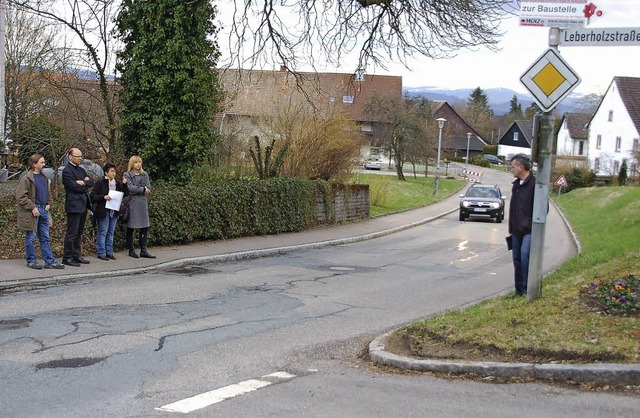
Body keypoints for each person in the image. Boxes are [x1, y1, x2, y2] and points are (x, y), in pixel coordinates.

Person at [15, 154, 65, 270]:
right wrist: (32, 207)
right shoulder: (27, 178)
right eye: (41, 162)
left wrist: (49, 204)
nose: (44, 164)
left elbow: (48, 194)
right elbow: (21, 196)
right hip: (32, 211)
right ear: (34, 164)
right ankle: (31, 260)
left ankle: (49, 261)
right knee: (31, 237)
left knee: (45, 237)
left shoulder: (44, 177)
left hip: (44, 209)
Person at [508, 153, 535, 298]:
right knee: (516, 260)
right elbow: (513, 209)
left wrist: (529, 223)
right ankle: (519, 291)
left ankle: (527, 288)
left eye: (513, 167)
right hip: (516, 231)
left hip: (528, 231)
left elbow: (544, 208)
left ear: (521, 167)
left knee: (525, 257)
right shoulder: (516, 186)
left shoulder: (535, 185)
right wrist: (511, 229)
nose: (511, 169)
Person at [62, 148, 94, 267]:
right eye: (77, 156)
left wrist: (83, 182)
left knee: (79, 232)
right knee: (72, 232)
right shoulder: (67, 171)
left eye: (81, 156)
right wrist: (82, 183)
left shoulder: (81, 170)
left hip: (83, 204)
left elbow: (91, 182)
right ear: (70, 157)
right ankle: (67, 257)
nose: (80, 158)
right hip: (74, 205)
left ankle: (76, 255)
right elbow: (73, 187)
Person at [91, 163, 128, 261]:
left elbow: (124, 194)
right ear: (106, 172)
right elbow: (93, 196)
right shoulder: (100, 183)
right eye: (111, 171)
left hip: (114, 210)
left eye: (115, 171)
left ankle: (109, 251)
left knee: (111, 232)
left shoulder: (117, 183)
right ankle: (101, 252)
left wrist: (124, 185)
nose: (114, 173)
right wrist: (103, 196)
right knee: (103, 231)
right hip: (103, 210)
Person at [123, 155, 156, 259]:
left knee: (144, 227)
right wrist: (142, 189)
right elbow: (130, 187)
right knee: (131, 227)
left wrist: (143, 189)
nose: (138, 164)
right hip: (133, 202)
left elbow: (149, 186)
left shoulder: (144, 174)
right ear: (132, 164)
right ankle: (131, 250)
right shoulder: (127, 174)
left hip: (142, 202)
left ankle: (143, 249)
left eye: (139, 162)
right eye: (136, 162)